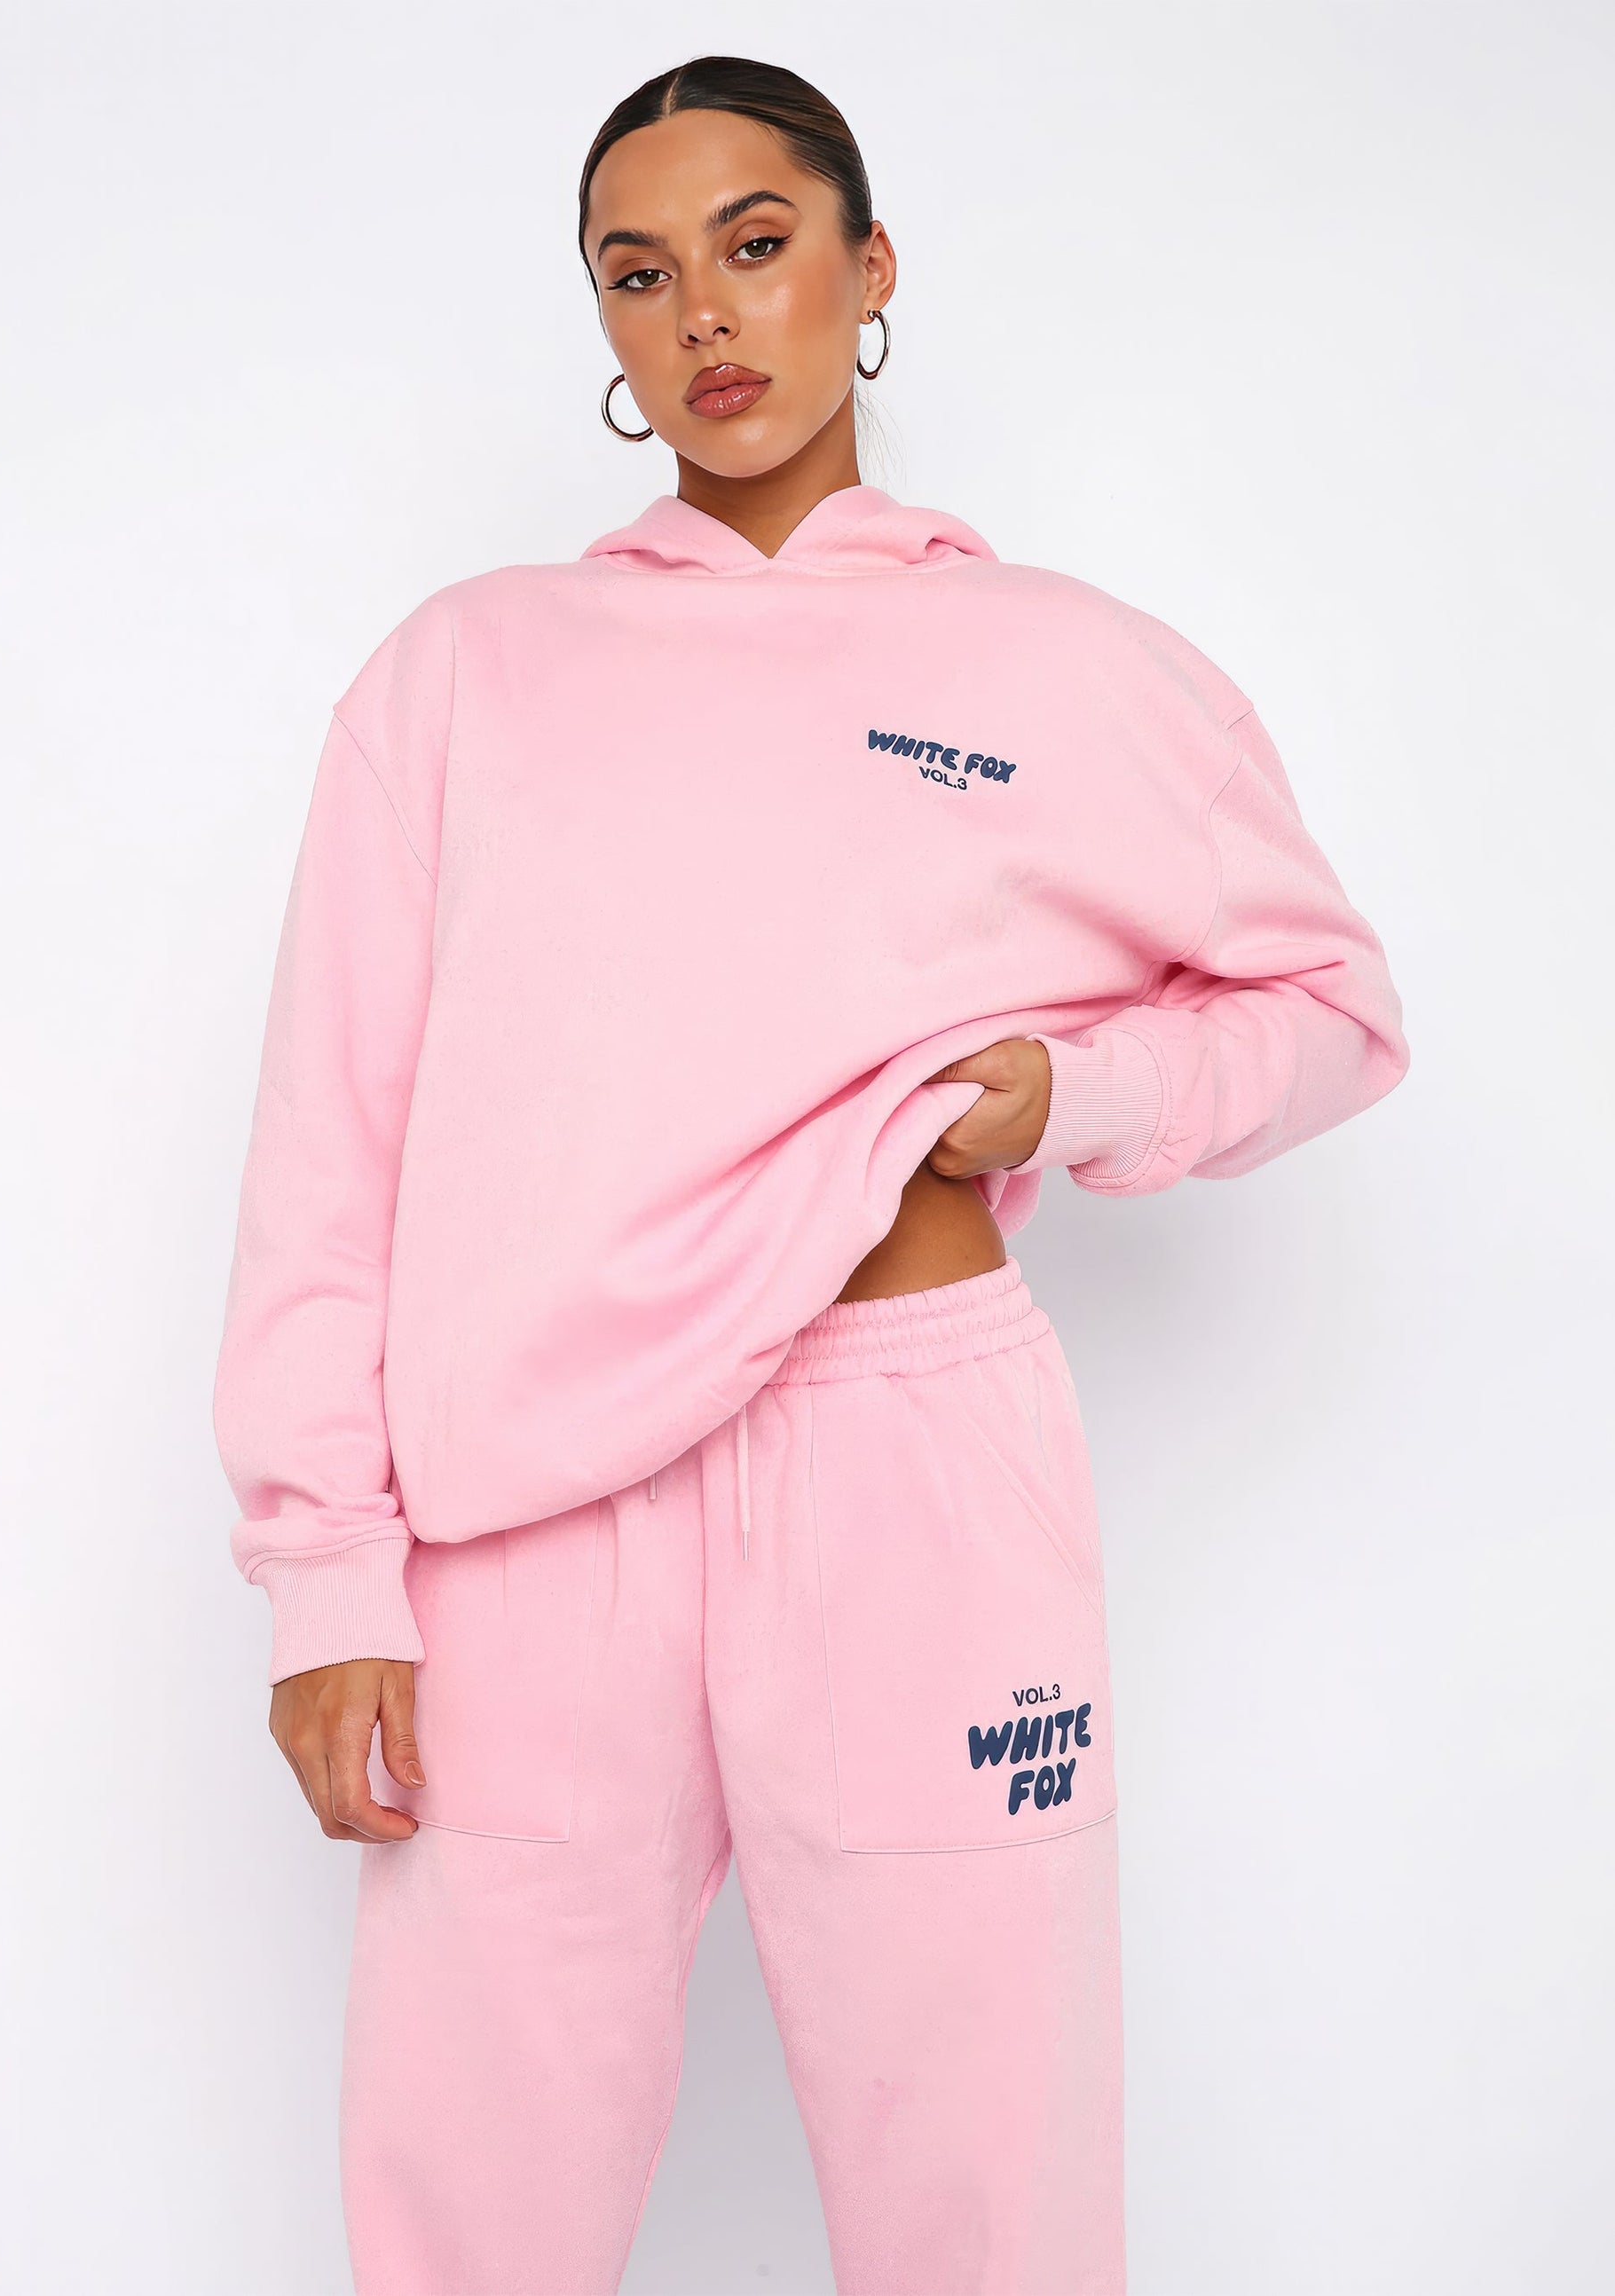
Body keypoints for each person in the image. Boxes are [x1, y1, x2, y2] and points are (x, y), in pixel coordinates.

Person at [211, 53, 1409, 2296]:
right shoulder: (467, 675)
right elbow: (329, 1144)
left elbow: (1330, 1007)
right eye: (636, 271)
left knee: (984, 2175)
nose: (703, 314)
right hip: (529, 1508)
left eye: (755, 245)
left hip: (910, 1468)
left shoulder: (1058, 666)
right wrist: (326, 1582)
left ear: (867, 272)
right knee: (474, 2199)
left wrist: (1075, 1092)